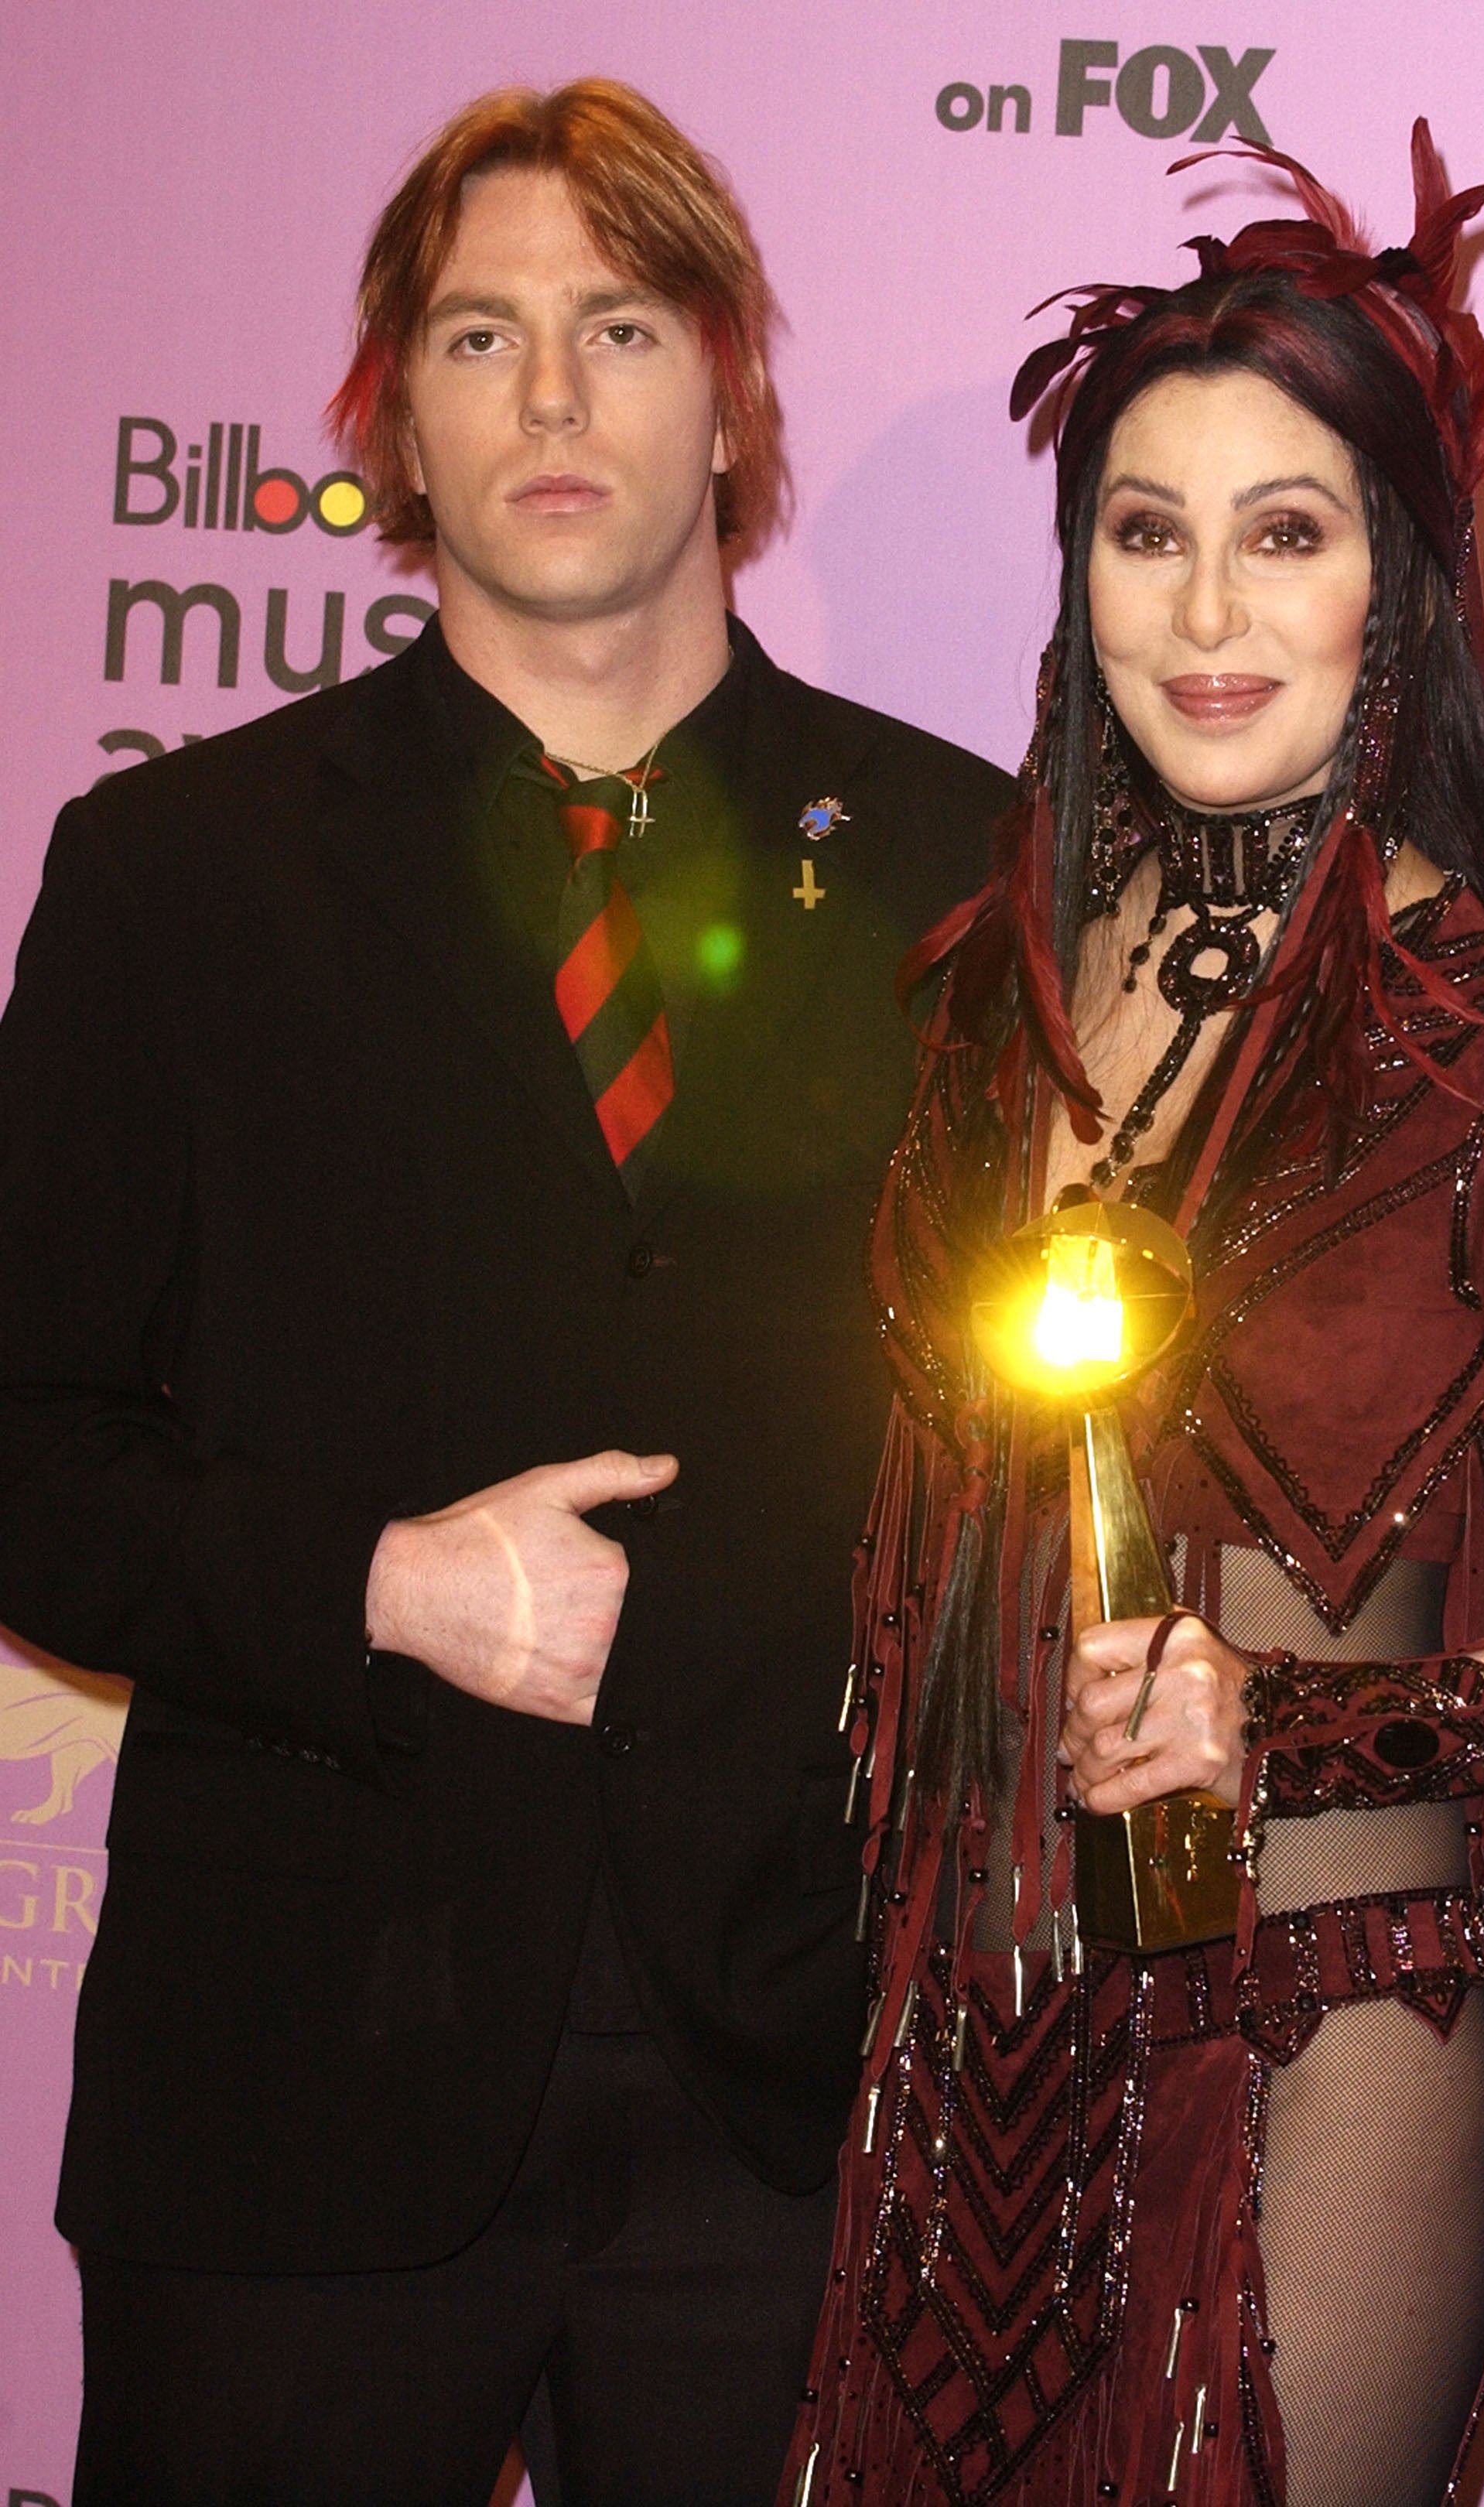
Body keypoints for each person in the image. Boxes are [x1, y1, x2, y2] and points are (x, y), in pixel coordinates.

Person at [0, 79, 1010, 2507]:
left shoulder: (968, 871)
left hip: (803, 2106)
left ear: (728, 397)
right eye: (478, 336)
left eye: (620, 325)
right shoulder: (175, 871)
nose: (550, 396)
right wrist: (381, 1582)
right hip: (293, 2113)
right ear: (396, 430)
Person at [781, 125, 1484, 2507]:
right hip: (962, 2063)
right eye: (1145, 528)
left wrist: (1290, 1731)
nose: (1206, 603)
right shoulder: (982, 1021)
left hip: (1326, 2067)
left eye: (1285, 528)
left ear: (1392, 592)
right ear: (1078, 584)